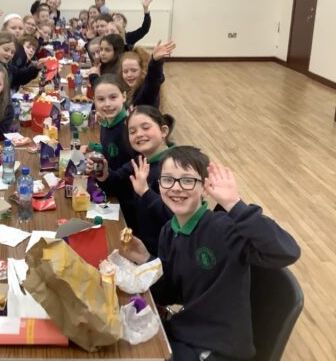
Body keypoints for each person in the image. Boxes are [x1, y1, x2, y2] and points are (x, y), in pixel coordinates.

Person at [121, 146, 301, 360]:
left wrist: (234, 205)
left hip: (219, 348)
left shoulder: (224, 228)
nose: (176, 188)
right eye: (168, 180)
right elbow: (170, 294)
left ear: (205, 189)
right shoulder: (169, 231)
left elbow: (287, 251)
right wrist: (146, 259)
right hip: (187, 332)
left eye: (187, 180)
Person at [91, 104, 175, 255]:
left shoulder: (174, 168)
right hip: (138, 241)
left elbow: (174, 218)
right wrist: (104, 175)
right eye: (132, 131)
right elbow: (116, 181)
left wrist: (145, 192)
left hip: (160, 254)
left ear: (163, 131)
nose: (139, 134)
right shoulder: (141, 160)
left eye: (146, 127)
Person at [120, 41, 176, 109]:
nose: (129, 74)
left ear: (142, 70)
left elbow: (152, 81)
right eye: (125, 71)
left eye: (134, 70)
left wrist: (155, 62)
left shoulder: (146, 90)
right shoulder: (124, 87)